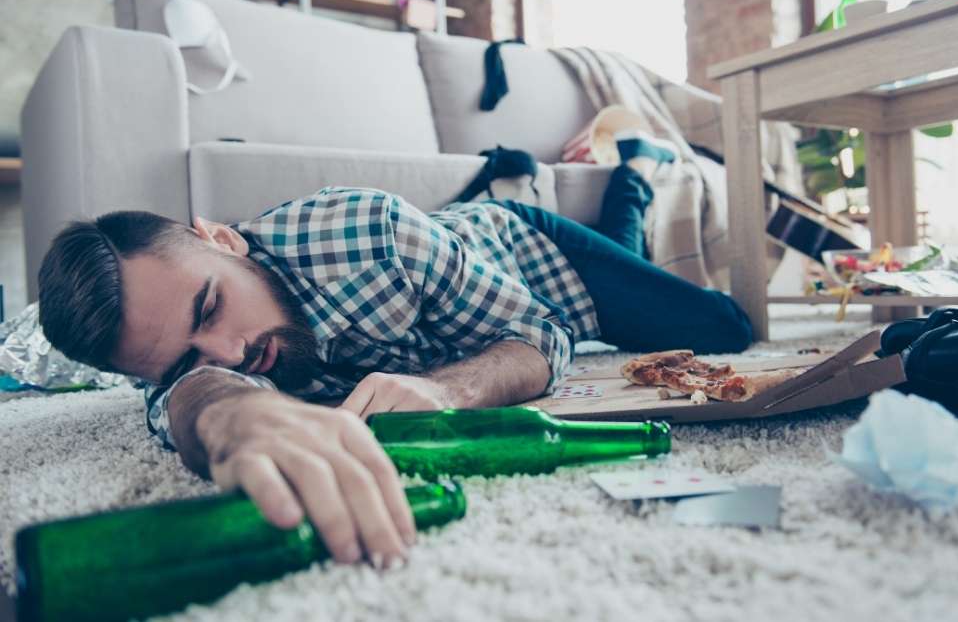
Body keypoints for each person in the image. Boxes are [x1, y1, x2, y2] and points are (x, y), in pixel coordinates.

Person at [37, 133, 752, 569]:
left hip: (531, 254)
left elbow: (542, 334)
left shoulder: (367, 229)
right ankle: (624, 237)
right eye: (187, 359)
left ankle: (629, 177)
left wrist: (451, 390)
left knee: (722, 331)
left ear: (221, 238)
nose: (230, 351)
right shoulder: (160, 344)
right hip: (493, 286)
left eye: (212, 305)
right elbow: (189, 403)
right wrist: (231, 420)